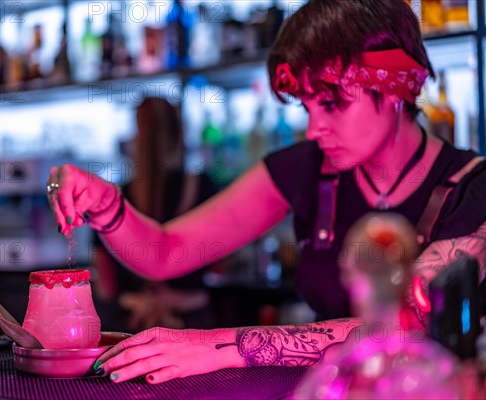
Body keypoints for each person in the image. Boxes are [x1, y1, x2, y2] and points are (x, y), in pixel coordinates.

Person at [46, 0, 486, 384]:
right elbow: (166, 252)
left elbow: (404, 324)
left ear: (394, 91)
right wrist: (107, 208)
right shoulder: (307, 167)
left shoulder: (473, 187)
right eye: (308, 107)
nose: (314, 128)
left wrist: (216, 347)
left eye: (332, 104)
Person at [92, 97, 219, 332]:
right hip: (193, 325)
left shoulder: (112, 200)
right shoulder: (203, 187)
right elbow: (219, 267)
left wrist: (145, 301)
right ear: (179, 132)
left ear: (135, 137)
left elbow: (105, 288)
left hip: (130, 326)